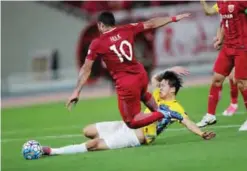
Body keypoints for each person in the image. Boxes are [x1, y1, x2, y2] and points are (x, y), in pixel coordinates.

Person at [43, 69, 216, 156]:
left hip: (136, 137)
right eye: (160, 85)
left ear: (172, 90)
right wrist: (173, 69)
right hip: (127, 124)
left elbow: (187, 122)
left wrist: (201, 134)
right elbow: (156, 77)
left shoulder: (175, 107)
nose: (159, 87)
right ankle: (101, 142)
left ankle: (53, 151)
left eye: (163, 85)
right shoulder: (156, 95)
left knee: (94, 145)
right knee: (87, 131)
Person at [66, 11, 191, 129]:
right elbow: (151, 23)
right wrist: (173, 18)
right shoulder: (127, 29)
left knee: (132, 122)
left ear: (101, 25)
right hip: (141, 74)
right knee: (143, 94)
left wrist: (77, 91)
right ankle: (159, 111)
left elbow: (86, 68)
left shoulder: (97, 43)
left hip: (127, 83)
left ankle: (165, 114)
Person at [197, 0, 247, 127]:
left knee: (241, 83)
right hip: (227, 47)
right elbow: (211, 13)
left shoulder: (240, 2)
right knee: (217, 79)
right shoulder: (220, 3)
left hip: (241, 47)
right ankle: (210, 115)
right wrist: (220, 38)